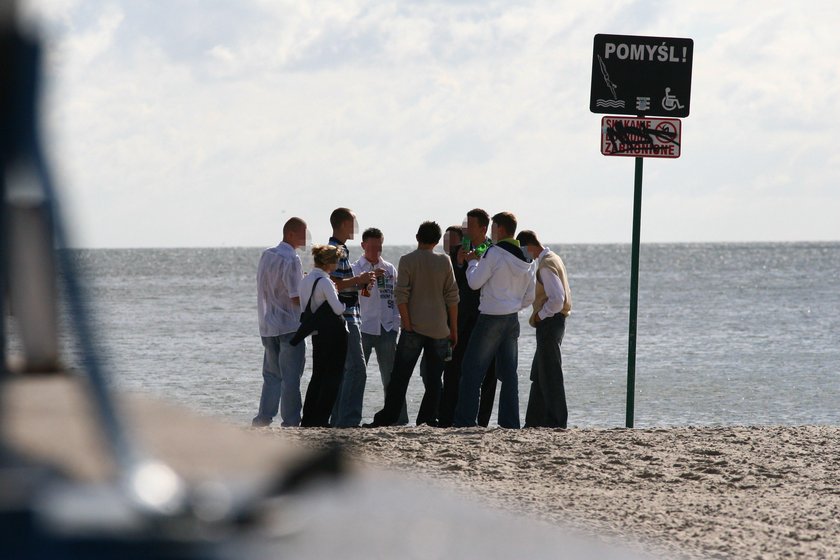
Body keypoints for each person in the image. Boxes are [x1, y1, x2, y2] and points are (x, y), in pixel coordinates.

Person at [365, 221, 459, 427]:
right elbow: (452, 297)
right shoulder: (445, 261)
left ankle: (388, 417)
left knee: (400, 378)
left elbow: (401, 295)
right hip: (439, 328)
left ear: (417, 237)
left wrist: (407, 324)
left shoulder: (407, 260)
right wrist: (453, 329)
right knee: (434, 379)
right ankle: (427, 418)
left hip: (413, 327)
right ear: (436, 241)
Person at [453, 212, 536, 429]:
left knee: (472, 370)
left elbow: (474, 283)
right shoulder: (526, 257)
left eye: (492, 228)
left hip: (491, 316)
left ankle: (465, 421)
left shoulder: (494, 253)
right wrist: (514, 306)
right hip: (511, 319)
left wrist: (471, 262)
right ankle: (510, 424)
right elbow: (530, 296)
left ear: (498, 229)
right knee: (509, 374)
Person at [438, 209, 498, 428]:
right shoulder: (461, 250)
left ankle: (482, 421)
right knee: (454, 371)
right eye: (465, 226)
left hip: (486, 319)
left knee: (488, 375)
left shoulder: (491, 249)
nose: (466, 230)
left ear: (482, 228)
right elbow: (454, 281)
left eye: (469, 226)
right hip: (460, 321)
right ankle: (449, 418)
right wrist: (462, 262)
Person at [252, 217, 308, 428]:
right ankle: (291, 421)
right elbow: (295, 296)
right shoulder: (291, 259)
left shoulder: (267, 255)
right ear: (291, 234)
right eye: (303, 233)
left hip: (268, 324)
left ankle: (263, 419)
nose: (306, 238)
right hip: (289, 324)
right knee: (291, 377)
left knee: (271, 376)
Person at [517, 230, 572, 429]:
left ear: (527, 246)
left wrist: (540, 315)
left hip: (549, 322)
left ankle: (556, 422)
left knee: (550, 374)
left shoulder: (545, 264)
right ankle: (534, 421)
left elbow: (557, 299)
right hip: (555, 322)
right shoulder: (553, 258)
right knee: (540, 374)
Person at [328, 207, 376, 427]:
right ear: (344, 224)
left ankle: (339, 418)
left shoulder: (339, 249)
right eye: (353, 223)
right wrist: (359, 279)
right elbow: (334, 283)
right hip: (347, 318)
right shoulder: (337, 250)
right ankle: (348, 420)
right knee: (357, 370)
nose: (355, 227)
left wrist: (360, 282)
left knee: (345, 371)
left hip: (347, 316)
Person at [352, 228, 406, 424]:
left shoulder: (390, 268)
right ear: (363, 245)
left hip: (386, 328)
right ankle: (350, 418)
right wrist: (370, 277)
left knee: (391, 377)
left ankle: (398, 419)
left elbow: (396, 296)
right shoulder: (355, 268)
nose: (376, 251)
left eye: (379, 246)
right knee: (357, 375)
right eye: (372, 246)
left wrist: (396, 323)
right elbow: (357, 294)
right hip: (363, 327)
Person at [299, 245, 349, 427]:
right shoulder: (325, 282)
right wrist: (344, 304)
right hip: (333, 334)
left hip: (316, 333)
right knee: (333, 377)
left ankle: (309, 418)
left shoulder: (305, 280)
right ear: (329, 262)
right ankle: (321, 419)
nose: (337, 264)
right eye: (336, 260)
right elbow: (337, 309)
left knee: (318, 376)